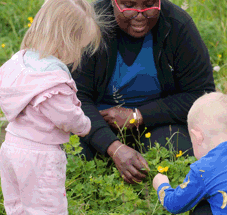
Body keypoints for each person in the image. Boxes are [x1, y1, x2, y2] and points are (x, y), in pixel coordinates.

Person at [71, 0, 215, 183]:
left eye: (149, 4)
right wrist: (112, 146)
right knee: (70, 154)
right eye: (129, 5)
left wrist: (138, 115)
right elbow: (76, 96)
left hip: (156, 124)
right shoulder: (90, 23)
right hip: (96, 123)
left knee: (180, 150)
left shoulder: (177, 25)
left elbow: (201, 94)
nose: (140, 14)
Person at [0, 0, 102, 215]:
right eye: (80, 48)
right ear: (66, 43)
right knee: (48, 213)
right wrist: (84, 124)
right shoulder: (52, 81)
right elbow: (66, 117)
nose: (79, 55)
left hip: (11, 145)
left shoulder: (22, 60)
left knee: (18, 206)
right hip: (39, 155)